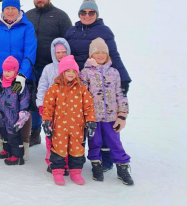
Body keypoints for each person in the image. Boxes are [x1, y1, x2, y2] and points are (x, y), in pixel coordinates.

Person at [65, 0, 131, 171]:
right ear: (79, 14)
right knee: (81, 122)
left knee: (104, 124)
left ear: (96, 14)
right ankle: (79, 157)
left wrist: (124, 78)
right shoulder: (72, 31)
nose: (87, 15)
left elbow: (113, 55)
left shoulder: (104, 31)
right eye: (83, 12)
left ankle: (106, 160)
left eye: (91, 12)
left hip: (98, 80)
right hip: (76, 79)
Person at [0, 0, 37, 161]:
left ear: (19, 9)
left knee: (23, 109)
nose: (10, 11)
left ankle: (24, 143)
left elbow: (30, 51)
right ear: (3, 9)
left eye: (13, 8)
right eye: (7, 8)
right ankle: (5, 142)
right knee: (3, 108)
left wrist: (22, 75)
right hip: (2, 76)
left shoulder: (27, 26)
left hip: (21, 75)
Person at [79, 38, 133, 185]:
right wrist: (84, 116)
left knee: (115, 142)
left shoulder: (114, 72)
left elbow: (120, 94)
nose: (101, 55)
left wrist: (122, 115)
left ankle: (122, 167)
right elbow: (82, 96)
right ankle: (96, 165)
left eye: (104, 52)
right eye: (97, 52)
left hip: (111, 117)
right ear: (91, 55)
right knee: (95, 142)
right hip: (93, 118)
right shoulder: (85, 73)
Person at [25, 0, 72, 147]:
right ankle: (35, 132)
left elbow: (68, 42)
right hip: (33, 66)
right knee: (35, 100)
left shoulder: (60, 16)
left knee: (55, 101)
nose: (39, 0)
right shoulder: (28, 15)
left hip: (53, 68)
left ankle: (57, 133)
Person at [41, 55, 96, 186]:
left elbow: (88, 106)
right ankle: (57, 172)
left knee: (77, 150)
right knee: (58, 149)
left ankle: (76, 172)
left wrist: (90, 121)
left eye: (73, 71)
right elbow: (48, 106)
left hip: (77, 127)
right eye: (68, 71)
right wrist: (47, 120)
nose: (71, 74)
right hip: (60, 127)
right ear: (62, 72)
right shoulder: (54, 88)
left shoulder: (82, 89)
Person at [36, 38, 71, 174]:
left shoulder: (73, 68)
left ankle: (65, 163)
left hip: (68, 111)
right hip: (51, 110)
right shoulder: (48, 69)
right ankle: (51, 162)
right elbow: (42, 87)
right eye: (58, 52)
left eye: (63, 51)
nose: (61, 55)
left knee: (66, 138)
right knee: (50, 137)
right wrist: (41, 105)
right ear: (53, 53)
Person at [0, 56, 30, 165]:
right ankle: (7, 150)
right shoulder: (0, 82)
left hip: (14, 116)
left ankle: (18, 156)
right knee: (5, 134)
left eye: (9, 71)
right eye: (5, 70)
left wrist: (22, 117)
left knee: (13, 136)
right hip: (2, 115)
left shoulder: (19, 84)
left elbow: (24, 101)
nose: (6, 73)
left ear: (15, 71)